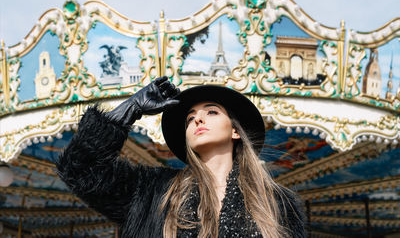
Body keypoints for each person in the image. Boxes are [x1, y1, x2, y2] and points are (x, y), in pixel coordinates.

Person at [57, 76, 305, 238]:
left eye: (212, 112)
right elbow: (80, 171)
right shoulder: (153, 192)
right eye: (190, 118)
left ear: (235, 131)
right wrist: (130, 109)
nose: (198, 119)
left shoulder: (279, 204)